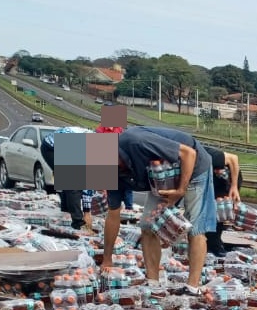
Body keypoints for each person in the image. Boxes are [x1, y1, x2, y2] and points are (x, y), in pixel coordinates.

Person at [101, 126, 215, 294]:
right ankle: (153, 284)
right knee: (147, 226)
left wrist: (180, 191)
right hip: (163, 178)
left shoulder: (136, 141)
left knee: (196, 229)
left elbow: (188, 154)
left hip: (194, 167)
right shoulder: (110, 172)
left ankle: (192, 287)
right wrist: (107, 258)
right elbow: (113, 215)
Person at [40, 126, 94, 232]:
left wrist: (87, 211)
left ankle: (66, 211)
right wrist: (87, 213)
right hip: (51, 148)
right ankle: (78, 223)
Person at [204, 146, 242, 256]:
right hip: (212, 179)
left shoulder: (207, 155)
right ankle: (208, 242)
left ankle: (215, 246)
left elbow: (233, 158)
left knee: (218, 211)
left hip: (228, 179)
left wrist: (234, 186)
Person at [96, 124, 134, 210]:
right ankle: (111, 206)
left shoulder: (119, 129)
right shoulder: (101, 128)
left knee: (127, 187)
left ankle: (128, 208)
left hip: (119, 158)